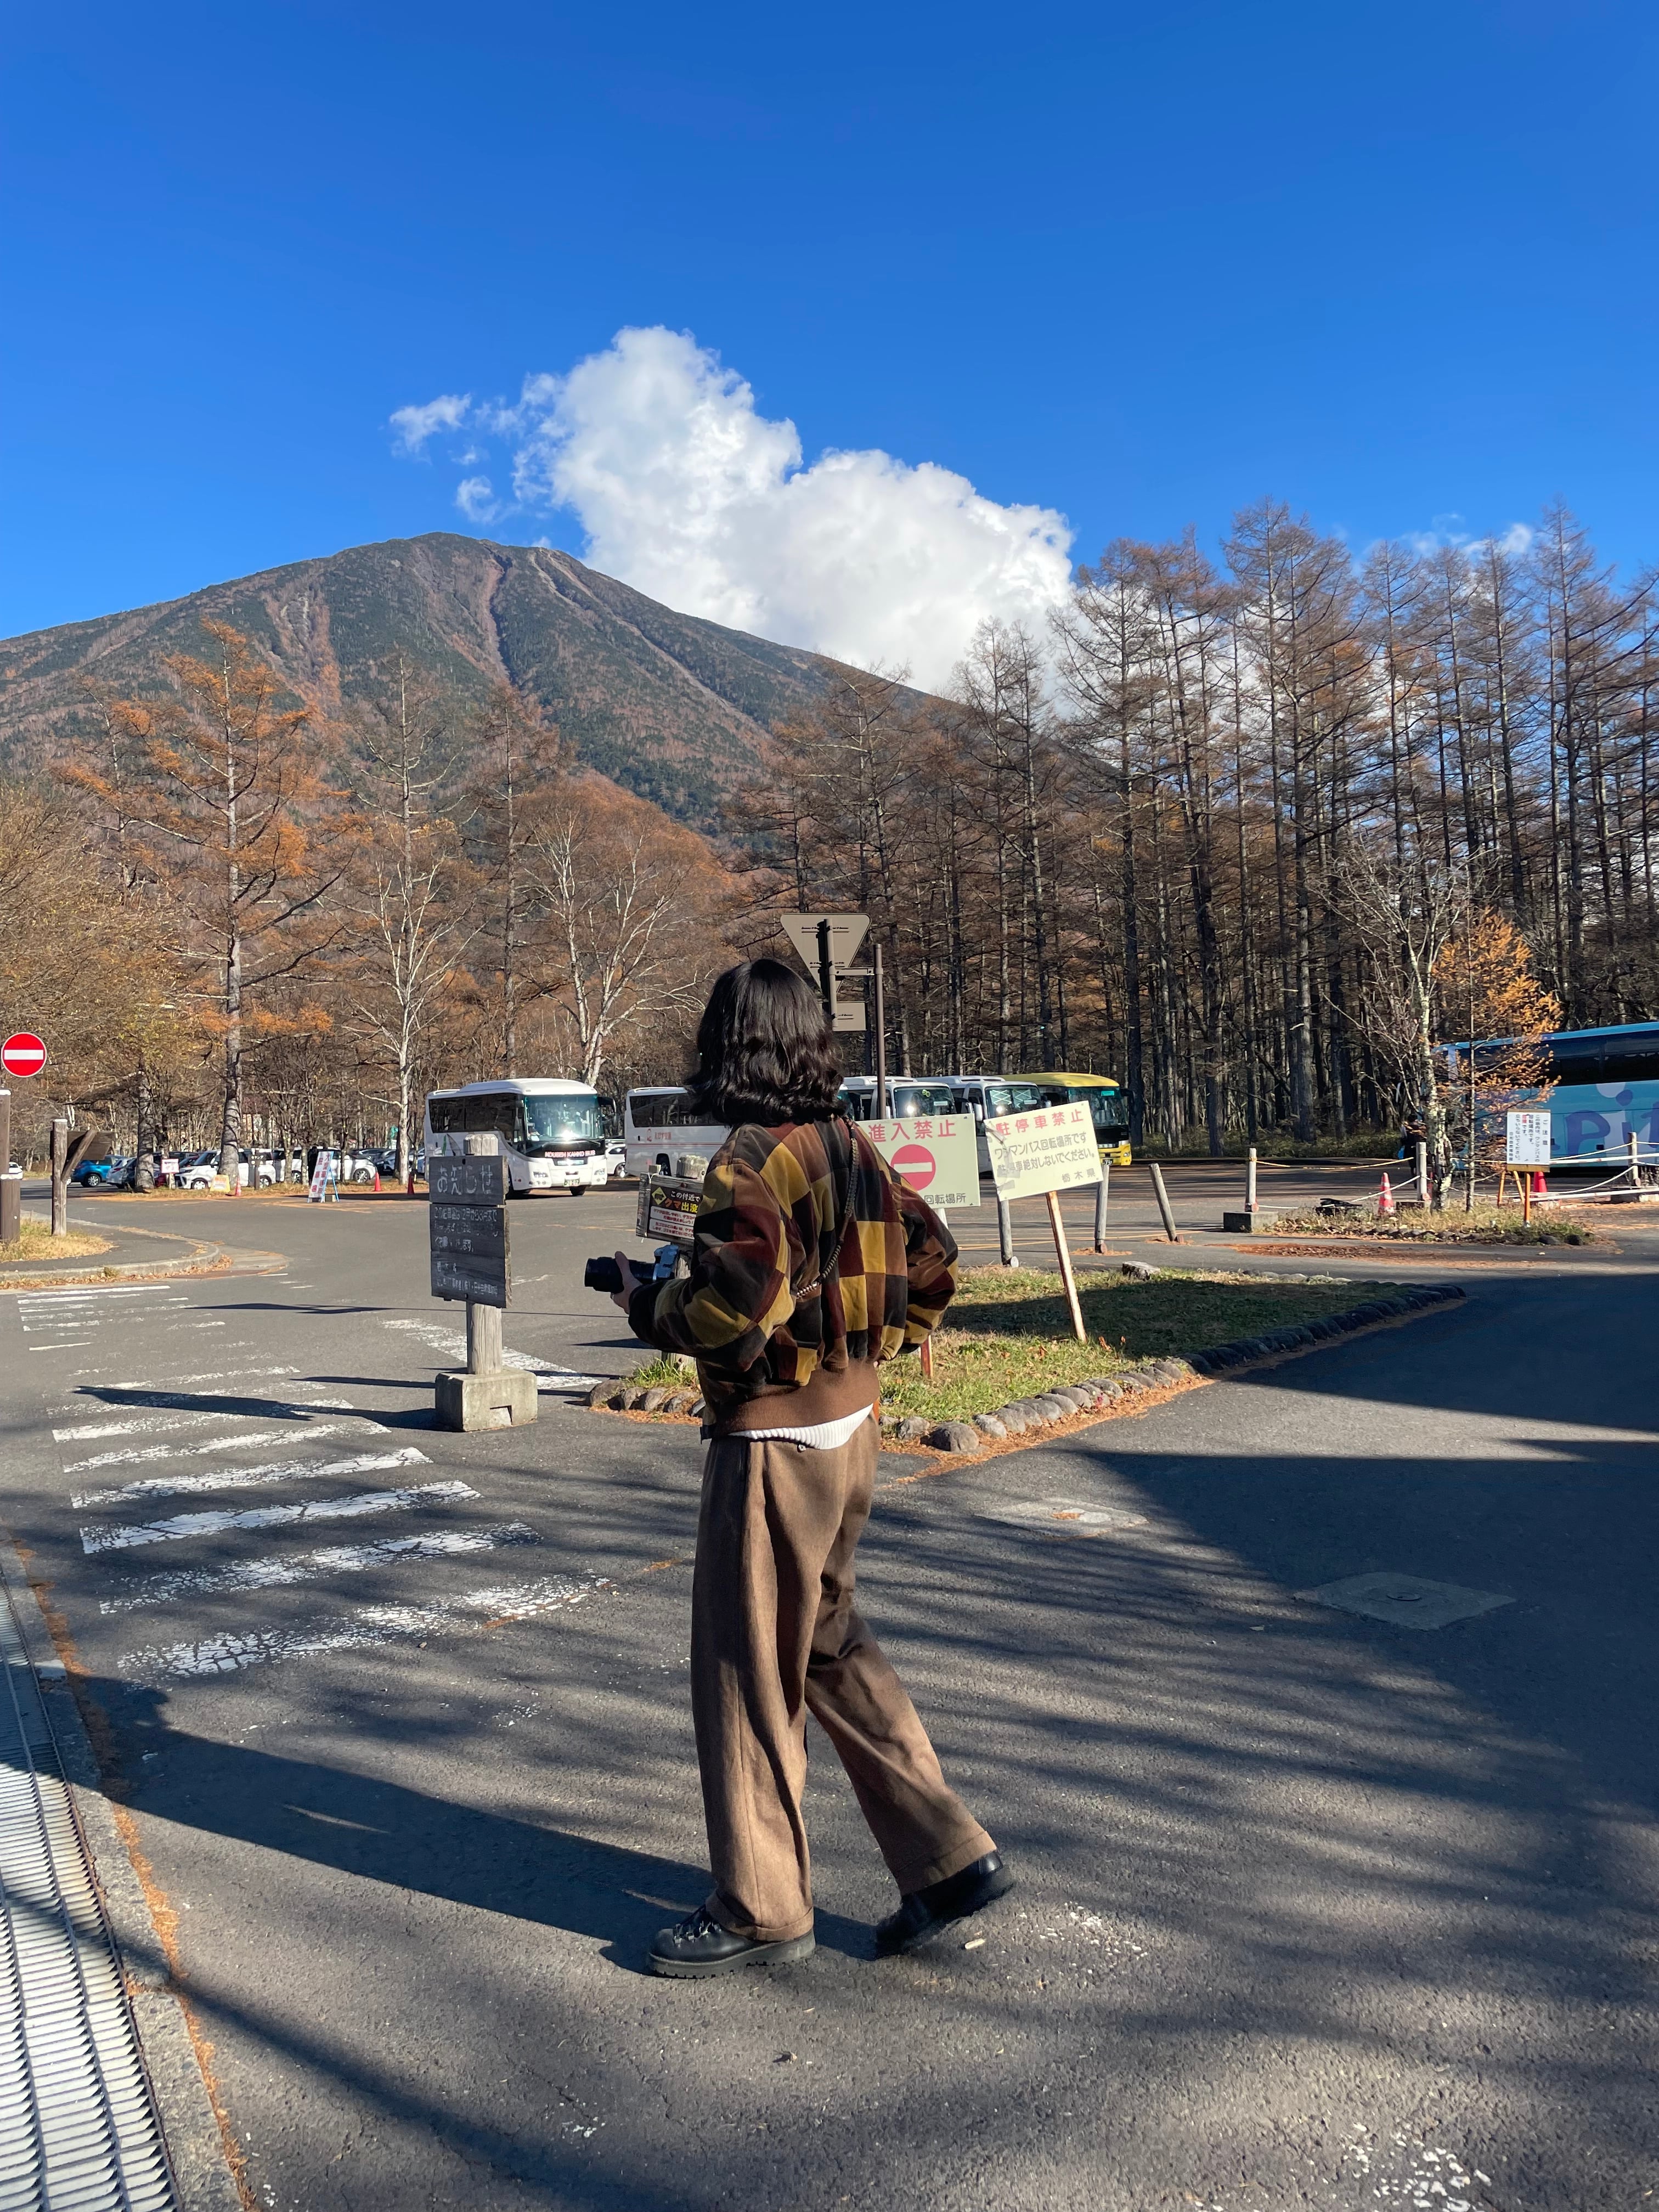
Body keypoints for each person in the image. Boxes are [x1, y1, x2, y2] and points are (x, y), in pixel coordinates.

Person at [613, 958, 1012, 1978]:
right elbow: (935, 1261)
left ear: (727, 1045)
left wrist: (643, 1302)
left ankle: (761, 1906)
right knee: (828, 1638)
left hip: (773, 1444)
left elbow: (730, 1310)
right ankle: (949, 1858)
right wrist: (866, 1346)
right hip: (854, 1427)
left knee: (748, 1666)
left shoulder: (751, 1159)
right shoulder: (848, 1141)